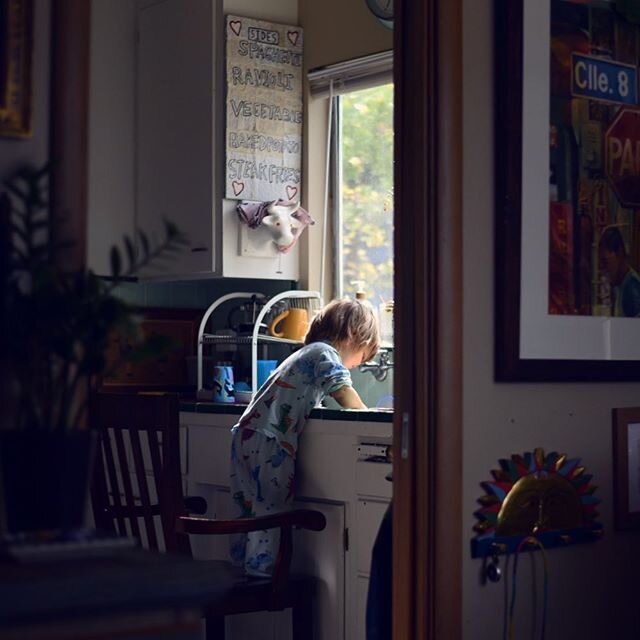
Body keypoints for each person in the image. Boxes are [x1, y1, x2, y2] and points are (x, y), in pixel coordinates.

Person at [229, 297, 380, 576]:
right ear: (353, 335)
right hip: (270, 440)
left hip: (247, 435)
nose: (357, 366)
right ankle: (262, 576)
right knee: (272, 509)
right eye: (362, 357)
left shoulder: (305, 353)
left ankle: (240, 568)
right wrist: (365, 412)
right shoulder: (325, 353)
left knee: (248, 506)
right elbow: (341, 389)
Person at [598, 226, 640, 317]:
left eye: (606, 262)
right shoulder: (621, 286)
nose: (604, 269)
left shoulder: (632, 289)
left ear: (619, 254)